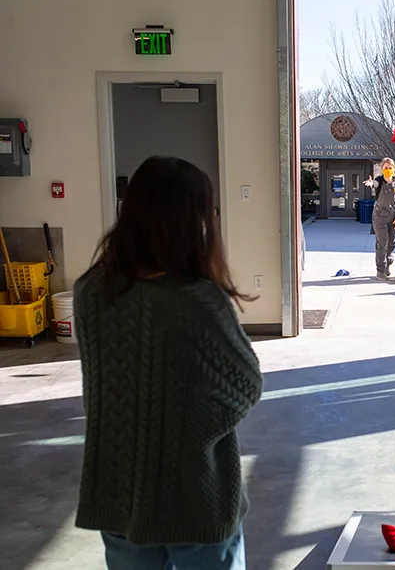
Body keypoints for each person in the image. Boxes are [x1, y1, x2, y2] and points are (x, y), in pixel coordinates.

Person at [73, 156, 263, 570]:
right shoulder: (197, 301)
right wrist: (184, 433)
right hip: (194, 494)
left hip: (118, 485)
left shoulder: (90, 292)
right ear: (191, 221)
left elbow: (103, 389)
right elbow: (245, 385)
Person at [364, 157, 395, 280]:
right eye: (385, 168)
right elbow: (374, 184)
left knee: (392, 243)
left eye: (390, 168)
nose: (388, 170)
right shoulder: (379, 181)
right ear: (381, 169)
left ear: (394, 168)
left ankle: (387, 264)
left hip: (393, 217)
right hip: (380, 216)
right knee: (382, 243)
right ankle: (380, 270)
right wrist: (371, 184)